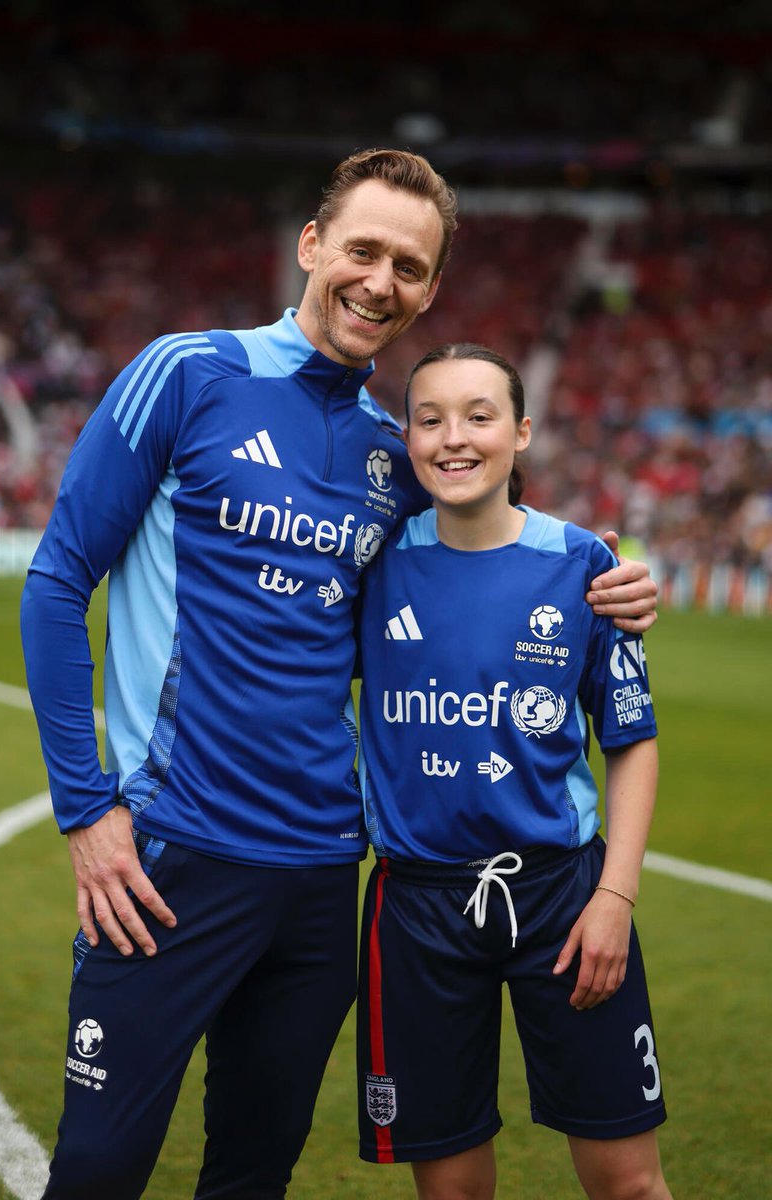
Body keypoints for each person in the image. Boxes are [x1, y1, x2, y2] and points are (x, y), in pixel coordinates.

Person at [21, 150, 659, 1200]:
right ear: (311, 247)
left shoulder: (390, 454)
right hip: (171, 859)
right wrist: (86, 808)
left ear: (429, 291)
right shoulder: (187, 373)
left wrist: (614, 581)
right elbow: (56, 582)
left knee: (253, 1173)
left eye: (408, 266)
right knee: (97, 1168)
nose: (379, 280)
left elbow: (498, 541)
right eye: (361, 249)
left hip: (325, 878)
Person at [356, 343, 673, 1200]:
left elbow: (632, 741)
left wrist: (615, 896)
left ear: (522, 432)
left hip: (565, 901)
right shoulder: (371, 567)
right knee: (451, 1191)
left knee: (630, 1183)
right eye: (430, 419)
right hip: (417, 907)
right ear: (408, 437)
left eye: (479, 415)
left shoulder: (586, 568)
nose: (453, 438)